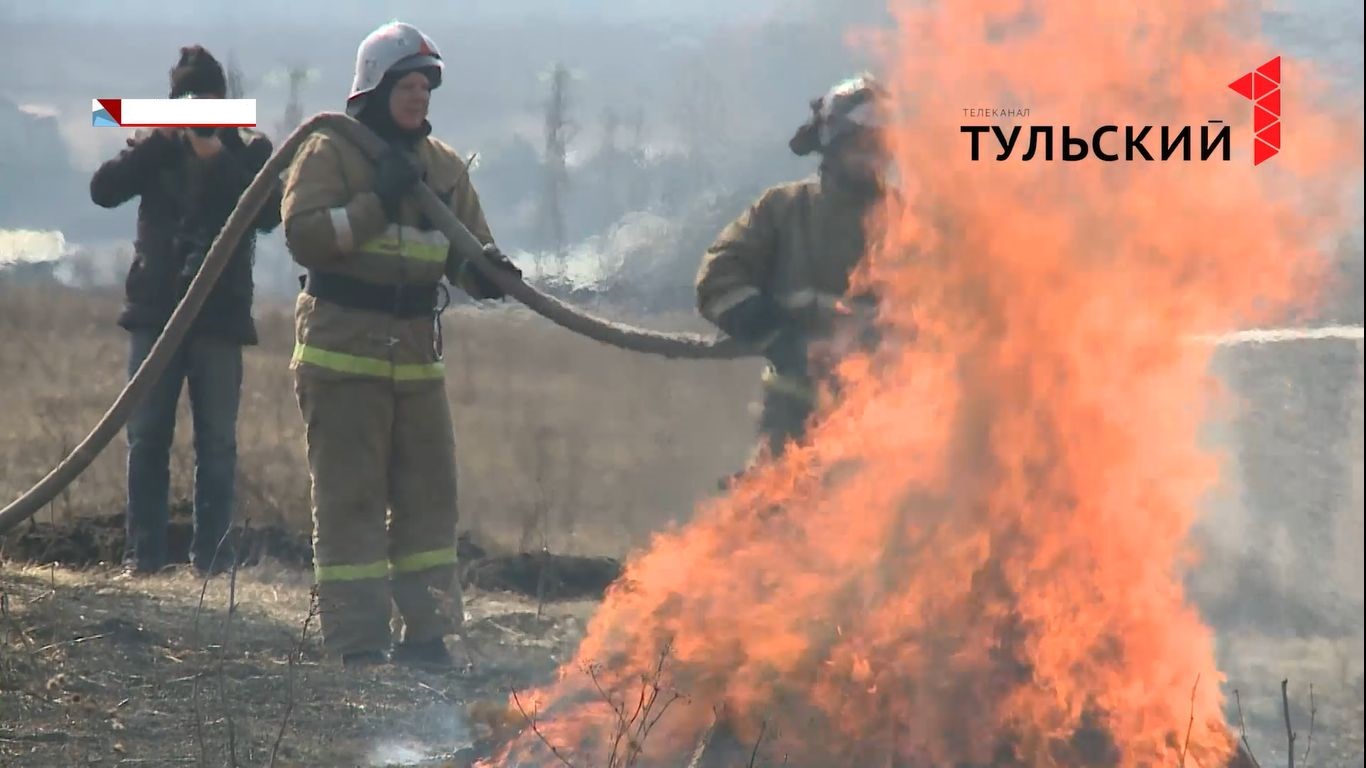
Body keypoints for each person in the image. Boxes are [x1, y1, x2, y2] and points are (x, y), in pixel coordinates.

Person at [279, 20, 522, 669]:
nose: (418, 97)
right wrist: (375, 203)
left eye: (424, 86)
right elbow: (307, 237)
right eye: (405, 84)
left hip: (416, 361)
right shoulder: (331, 152)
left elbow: (465, 249)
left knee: (429, 502)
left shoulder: (441, 168)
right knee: (351, 500)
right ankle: (358, 644)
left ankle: (427, 635)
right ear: (373, 88)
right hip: (341, 356)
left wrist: (488, 274)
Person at [90, 45, 282, 577]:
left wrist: (216, 160)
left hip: (218, 317)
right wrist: (159, 143)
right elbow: (103, 191)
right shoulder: (154, 147)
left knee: (216, 444)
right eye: (186, 101)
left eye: (206, 100)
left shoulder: (247, 148)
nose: (197, 110)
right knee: (146, 436)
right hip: (155, 312)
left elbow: (267, 216)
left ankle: (212, 563)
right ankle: (142, 557)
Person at [696, 74, 892, 473]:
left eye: (879, 145)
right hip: (791, 420)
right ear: (833, 144)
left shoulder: (907, 223)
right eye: (861, 144)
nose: (871, 156)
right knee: (769, 517)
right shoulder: (784, 209)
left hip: (884, 429)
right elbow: (719, 279)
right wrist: (778, 338)